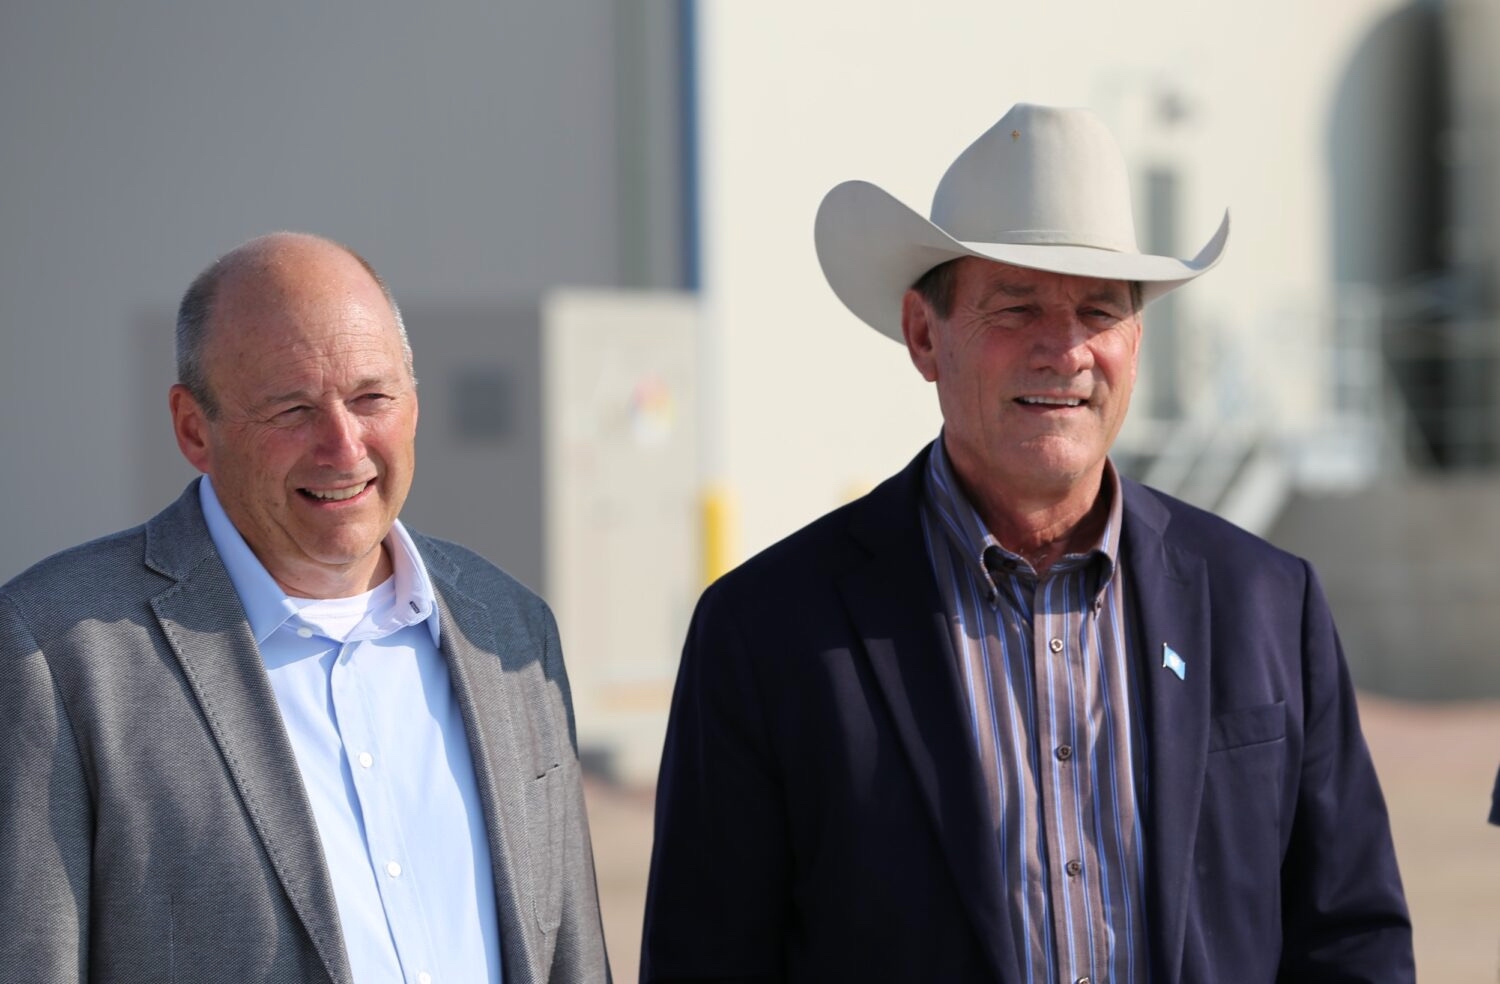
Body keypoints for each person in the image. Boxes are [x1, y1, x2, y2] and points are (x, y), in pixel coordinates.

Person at [641, 104, 1413, 983]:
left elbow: (1351, 938)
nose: (1065, 350)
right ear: (924, 337)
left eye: (1098, 310)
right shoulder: (767, 633)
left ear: (1135, 342)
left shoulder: (1267, 603)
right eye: (1016, 308)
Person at [0, 233, 610, 983]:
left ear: (414, 403)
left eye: (372, 398)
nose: (343, 446)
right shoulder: (54, 653)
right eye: (292, 408)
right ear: (194, 429)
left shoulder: (509, 630)